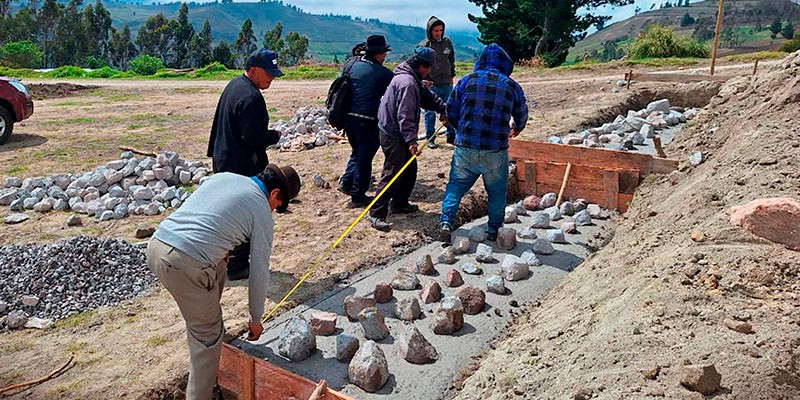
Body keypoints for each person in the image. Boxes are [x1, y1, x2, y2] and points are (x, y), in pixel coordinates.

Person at [146, 164, 301, 400]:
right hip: (183, 263)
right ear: (274, 194)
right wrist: (256, 318)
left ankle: (206, 330)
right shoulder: (261, 209)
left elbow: (207, 214)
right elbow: (259, 270)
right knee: (207, 336)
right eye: (277, 205)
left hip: (157, 245)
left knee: (219, 265)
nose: (273, 210)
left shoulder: (226, 177)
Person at [438, 43, 528, 243]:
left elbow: (450, 110)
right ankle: (494, 230)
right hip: (495, 149)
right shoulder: (511, 86)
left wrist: (460, 129)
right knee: (496, 191)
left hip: (466, 148)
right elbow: (521, 114)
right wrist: (517, 128)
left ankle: (446, 223)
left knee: (456, 186)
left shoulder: (466, 81)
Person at [207, 48, 283, 280]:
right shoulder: (250, 97)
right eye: (268, 73)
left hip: (224, 158)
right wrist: (274, 136)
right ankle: (238, 265)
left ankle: (223, 258)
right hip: (240, 166)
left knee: (227, 213)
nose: (271, 78)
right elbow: (253, 138)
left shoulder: (235, 85)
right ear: (253, 70)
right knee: (245, 215)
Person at [367, 47, 447, 231]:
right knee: (392, 172)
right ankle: (376, 212)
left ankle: (400, 203)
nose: (430, 71)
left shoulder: (412, 77)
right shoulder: (408, 83)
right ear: (421, 66)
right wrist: (411, 141)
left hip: (397, 129)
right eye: (429, 68)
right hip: (393, 132)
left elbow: (428, 98)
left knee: (409, 169)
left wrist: (444, 109)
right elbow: (405, 115)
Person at [337, 35, 394, 207]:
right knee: (365, 157)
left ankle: (347, 181)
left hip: (347, 118)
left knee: (357, 151)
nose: (385, 57)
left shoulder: (351, 64)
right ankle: (358, 196)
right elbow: (397, 86)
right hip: (367, 120)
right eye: (384, 53)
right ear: (378, 55)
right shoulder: (382, 73)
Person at [418, 16, 456, 149]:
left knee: (449, 110)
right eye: (436, 31)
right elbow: (418, 66)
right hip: (431, 84)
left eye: (441, 30)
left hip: (446, 83)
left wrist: (452, 75)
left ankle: (451, 135)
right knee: (429, 113)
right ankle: (430, 138)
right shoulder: (424, 46)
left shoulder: (447, 42)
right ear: (430, 31)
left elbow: (451, 59)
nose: (438, 33)